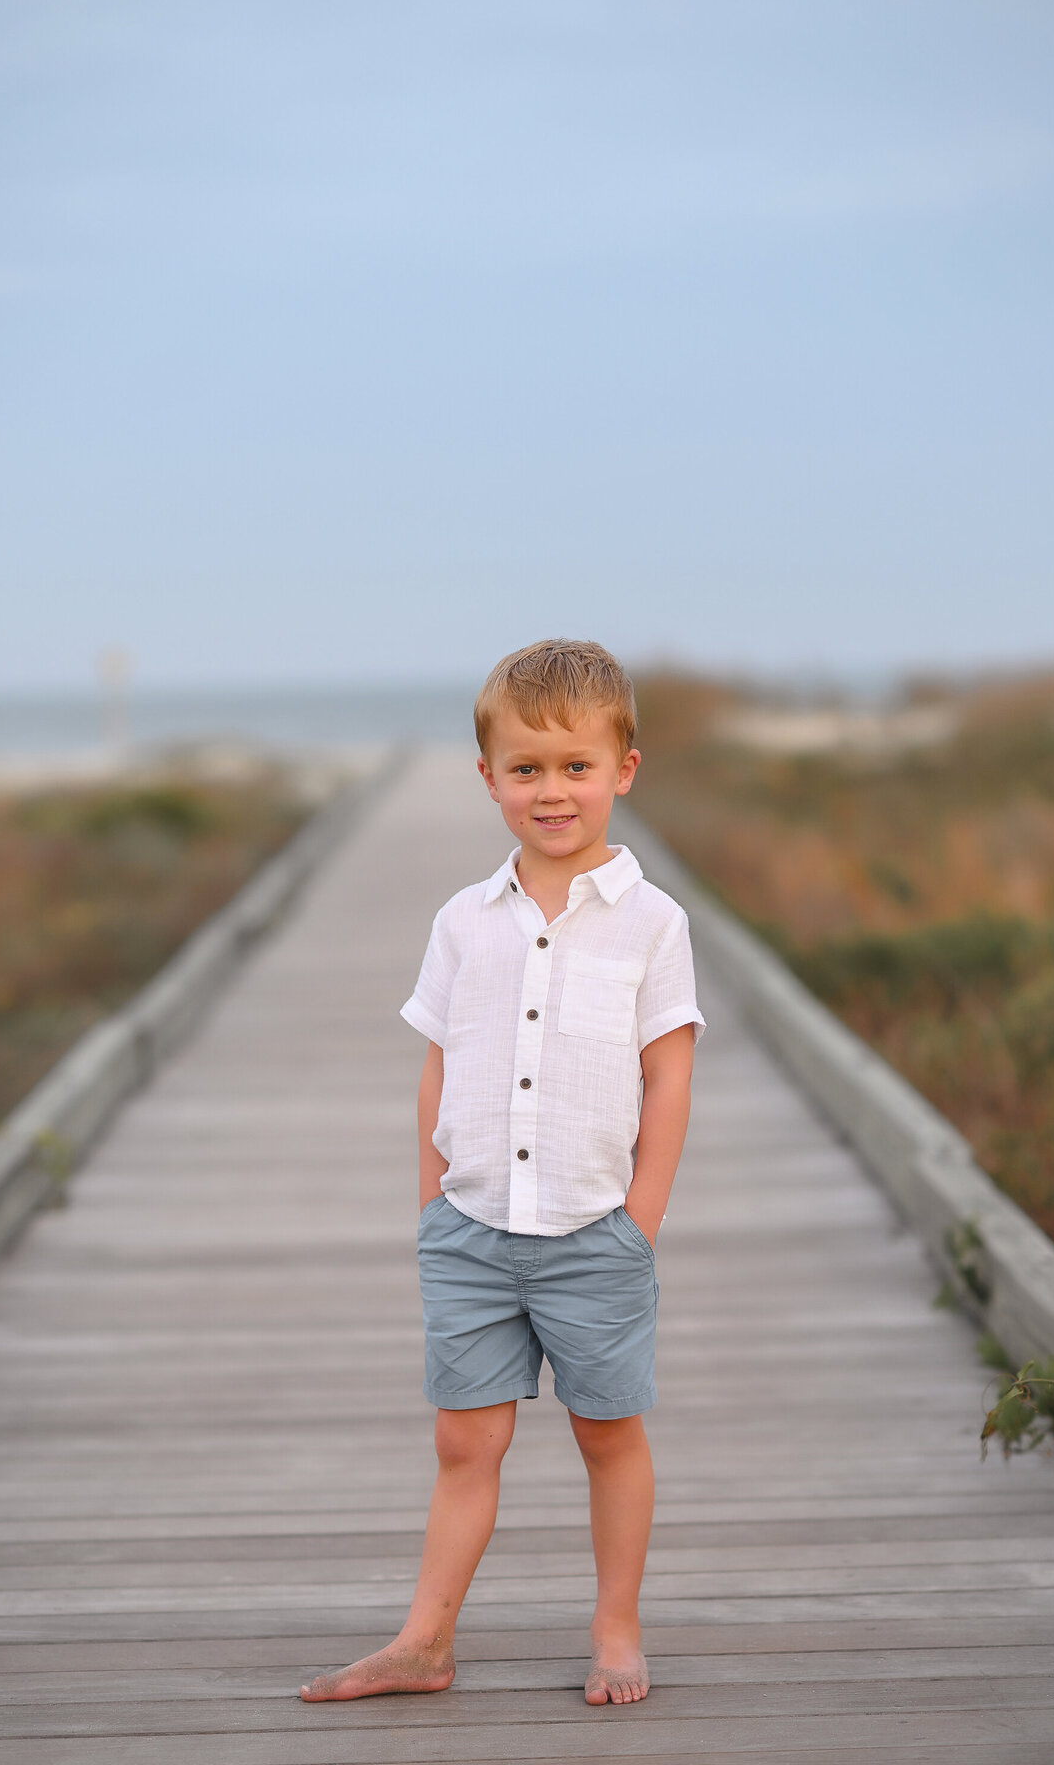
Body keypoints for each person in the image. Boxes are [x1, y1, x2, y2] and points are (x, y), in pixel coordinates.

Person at [301, 638, 703, 1708]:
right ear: (489, 780)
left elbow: (670, 1077)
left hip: (592, 1231)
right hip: (471, 1226)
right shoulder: (463, 921)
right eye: (526, 769)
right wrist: (432, 1202)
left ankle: (616, 1628)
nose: (552, 790)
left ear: (624, 768)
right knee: (463, 1438)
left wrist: (640, 1221)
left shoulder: (653, 926)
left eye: (576, 765)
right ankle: (424, 1641)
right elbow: (439, 1060)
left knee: (607, 1432)